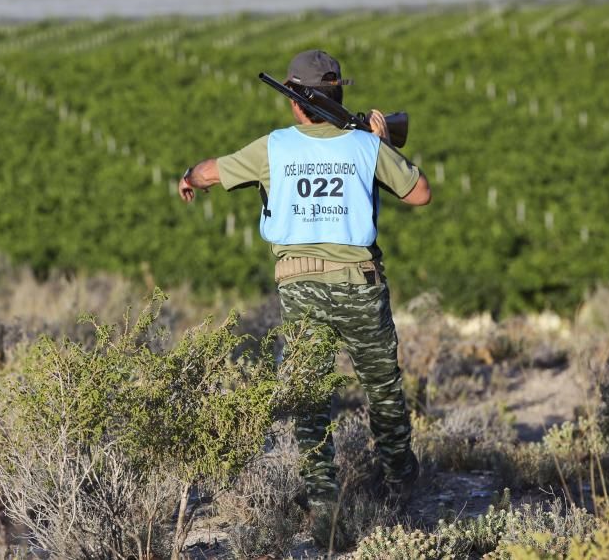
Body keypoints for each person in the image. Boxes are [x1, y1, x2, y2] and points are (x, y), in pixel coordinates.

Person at [177, 49, 431, 507]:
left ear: (296, 100)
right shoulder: (366, 145)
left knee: (309, 395)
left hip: (300, 289)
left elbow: (211, 171)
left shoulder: (273, 146)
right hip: (361, 284)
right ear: (336, 93)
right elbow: (420, 193)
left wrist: (189, 176)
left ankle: (322, 498)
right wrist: (382, 142)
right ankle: (399, 484)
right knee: (383, 388)